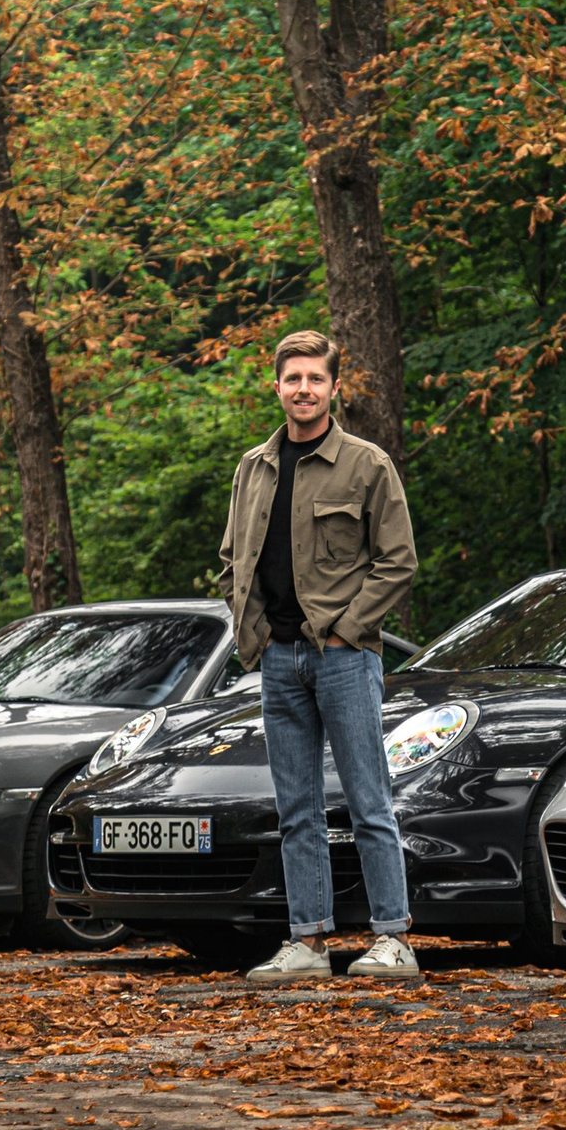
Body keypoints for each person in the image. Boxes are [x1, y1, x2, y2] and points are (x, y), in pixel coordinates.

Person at [220, 330, 420, 985]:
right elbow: (232, 560)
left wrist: (346, 632)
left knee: (369, 802)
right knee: (296, 812)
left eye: (315, 378)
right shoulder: (253, 468)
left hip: (344, 659)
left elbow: (398, 563)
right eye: (292, 378)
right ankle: (307, 942)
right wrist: (253, 634)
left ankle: (393, 939)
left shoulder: (366, 464)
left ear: (334, 387)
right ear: (276, 385)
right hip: (278, 661)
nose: (303, 389)